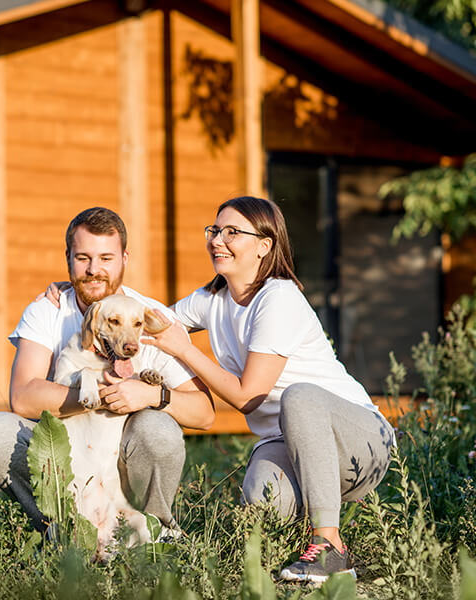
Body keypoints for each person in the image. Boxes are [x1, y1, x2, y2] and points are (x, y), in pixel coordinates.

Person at [141, 196, 395, 582]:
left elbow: (248, 396)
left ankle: (330, 545)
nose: (217, 240)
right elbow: (151, 319)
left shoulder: (279, 298)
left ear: (265, 245)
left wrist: (183, 349)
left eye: (232, 232)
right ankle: (310, 524)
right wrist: (83, 291)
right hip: (288, 444)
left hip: (360, 440)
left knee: (300, 396)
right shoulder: (213, 300)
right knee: (261, 507)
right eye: (215, 231)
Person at [0, 207, 214, 538]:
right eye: (83, 257)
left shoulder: (148, 317)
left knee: (158, 425)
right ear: (68, 258)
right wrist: (99, 396)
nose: (94, 270)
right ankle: (63, 529)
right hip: (68, 455)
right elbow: (22, 397)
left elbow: (204, 413)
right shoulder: (48, 310)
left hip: (122, 459)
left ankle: (156, 532)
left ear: (124, 259)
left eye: (105, 258)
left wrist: (150, 395)